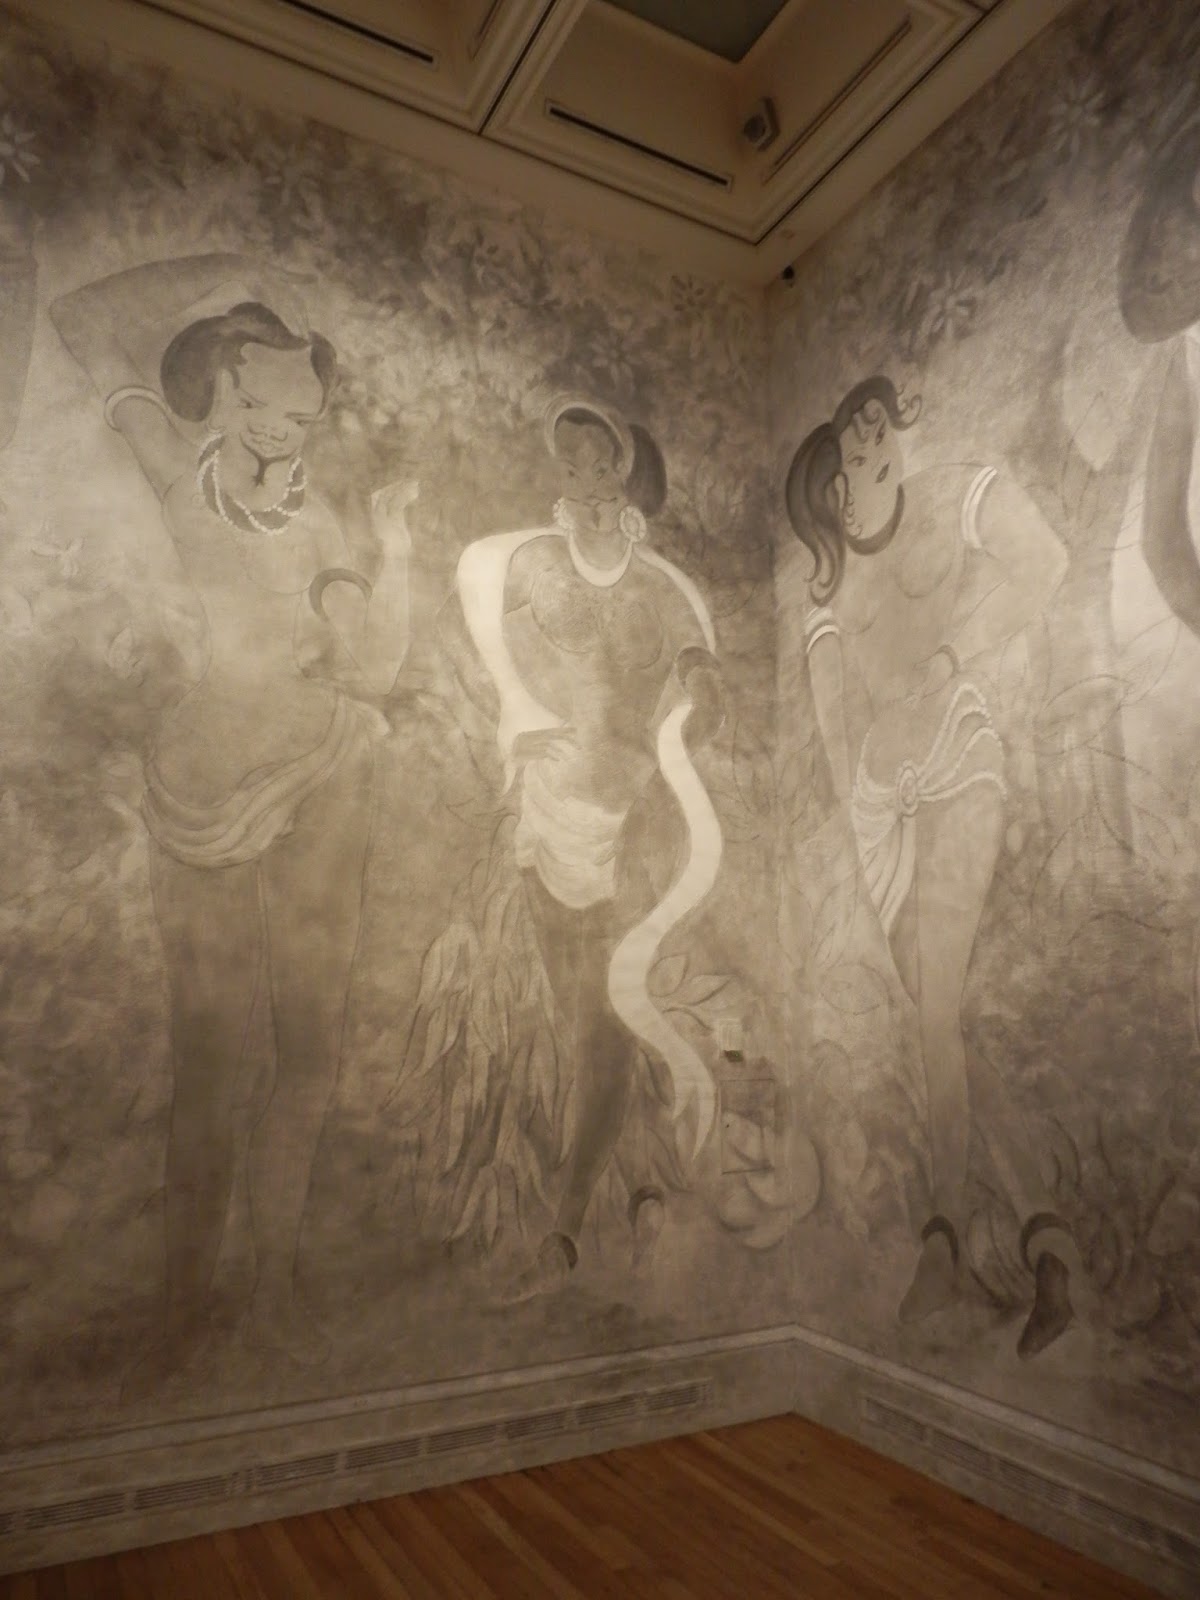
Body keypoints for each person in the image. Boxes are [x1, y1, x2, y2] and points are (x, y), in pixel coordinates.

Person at [51, 254, 414, 1375]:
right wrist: (238, 270)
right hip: (201, 789)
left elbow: (372, 663)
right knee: (210, 1058)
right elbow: (78, 313)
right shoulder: (175, 465)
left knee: (309, 1046)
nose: (277, 431)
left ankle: (271, 1293)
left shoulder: (326, 522)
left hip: (326, 772)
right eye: (257, 404)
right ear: (219, 387)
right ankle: (182, 1309)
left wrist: (390, 563)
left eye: (298, 414)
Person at [786, 375, 1077, 1357]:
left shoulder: (954, 493)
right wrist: (856, 848)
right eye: (852, 443)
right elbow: (835, 737)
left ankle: (945, 1238)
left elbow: (1046, 561)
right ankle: (1047, 1242)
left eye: (878, 427)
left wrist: (955, 654)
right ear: (833, 491)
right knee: (937, 1027)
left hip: (959, 766)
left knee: (936, 1014)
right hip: (883, 816)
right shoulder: (826, 593)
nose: (871, 441)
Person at [441, 394, 724, 1296]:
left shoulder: (663, 590)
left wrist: (695, 708)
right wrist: (512, 714)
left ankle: (563, 1236)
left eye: (601, 464)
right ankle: (633, 1194)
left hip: (631, 826)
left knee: (606, 1022)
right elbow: (473, 624)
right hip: (546, 815)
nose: (587, 480)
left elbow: (705, 689)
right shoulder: (531, 564)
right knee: (574, 1022)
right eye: (571, 464)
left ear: (627, 473)